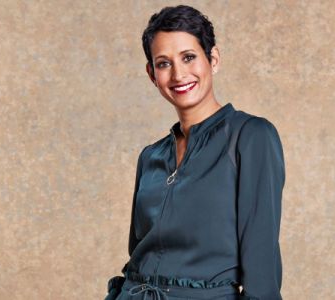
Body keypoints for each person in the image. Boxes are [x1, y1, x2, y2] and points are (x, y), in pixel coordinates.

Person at [105, 5, 285, 300]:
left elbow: (261, 269)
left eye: (188, 57)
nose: (178, 74)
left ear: (212, 59)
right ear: (152, 74)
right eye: (164, 63)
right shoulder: (150, 156)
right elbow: (138, 252)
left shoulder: (250, 137)